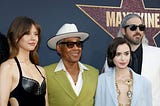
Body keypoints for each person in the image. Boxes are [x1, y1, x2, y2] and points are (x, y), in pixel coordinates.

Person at [103, 13, 160, 106]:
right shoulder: (113, 58)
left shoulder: (157, 54)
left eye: (141, 27)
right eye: (133, 27)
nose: (138, 31)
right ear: (123, 31)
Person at [44, 23, 99, 106]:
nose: (76, 48)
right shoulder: (46, 73)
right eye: (70, 44)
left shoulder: (94, 73)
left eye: (78, 44)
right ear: (59, 48)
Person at [0, 16, 48, 106]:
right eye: (27, 33)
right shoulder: (8, 67)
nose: (33, 38)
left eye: (36, 34)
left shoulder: (41, 70)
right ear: (16, 37)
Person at [95, 37, 152, 106]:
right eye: (118, 54)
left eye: (126, 53)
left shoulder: (144, 82)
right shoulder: (102, 80)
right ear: (111, 56)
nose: (123, 58)